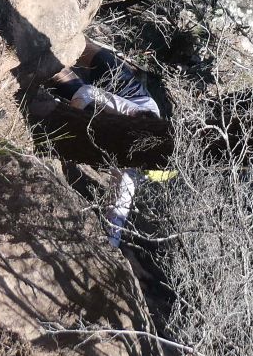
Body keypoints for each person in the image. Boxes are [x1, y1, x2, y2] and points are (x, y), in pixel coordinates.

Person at [31, 39, 163, 247]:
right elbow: (87, 94)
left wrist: (111, 247)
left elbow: (118, 212)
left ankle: (44, 65)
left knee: (56, 74)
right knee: (79, 46)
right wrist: (70, 119)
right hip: (121, 88)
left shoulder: (130, 172)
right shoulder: (137, 114)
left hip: (107, 118)